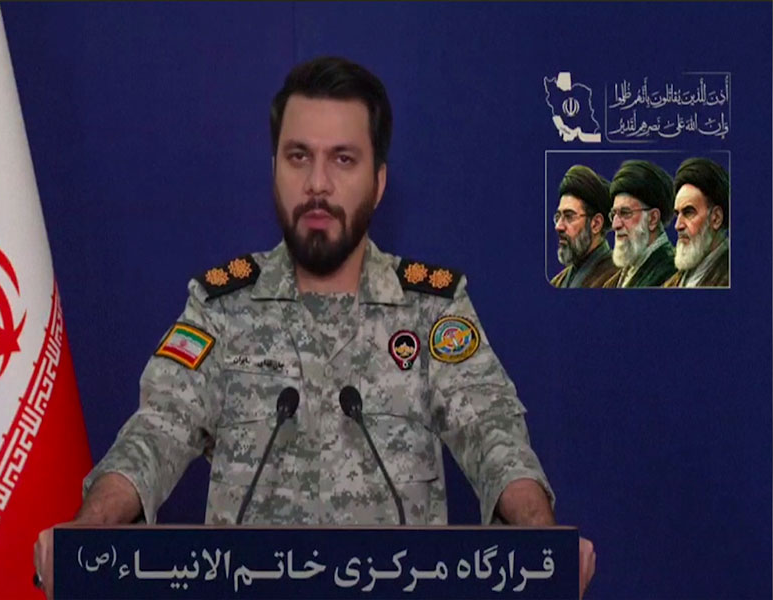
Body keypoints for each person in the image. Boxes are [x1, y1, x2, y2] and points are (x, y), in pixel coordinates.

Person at [34, 56, 596, 598]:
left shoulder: (431, 310)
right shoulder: (221, 306)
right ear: (275, 170)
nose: (317, 183)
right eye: (298, 157)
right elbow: (158, 430)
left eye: (343, 160)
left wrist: (542, 542)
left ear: (378, 182)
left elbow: (492, 435)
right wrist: (90, 531)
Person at [603, 160, 676, 288]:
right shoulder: (620, 277)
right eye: (614, 214)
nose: (615, 225)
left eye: (625, 213)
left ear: (652, 219)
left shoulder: (671, 274)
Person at [663, 158, 730, 287]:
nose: (678, 226)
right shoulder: (673, 282)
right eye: (677, 214)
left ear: (716, 218)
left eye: (688, 212)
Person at [550, 165, 615, 288]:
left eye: (569, 216)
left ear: (596, 224)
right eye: (558, 217)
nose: (558, 226)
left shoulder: (619, 279)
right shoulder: (557, 282)